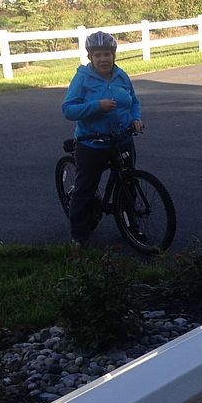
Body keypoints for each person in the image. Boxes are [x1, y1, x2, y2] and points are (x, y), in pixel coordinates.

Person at [62, 31, 144, 246]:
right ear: (90, 57)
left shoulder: (121, 75)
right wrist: (97, 106)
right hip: (92, 143)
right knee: (85, 189)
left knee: (128, 184)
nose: (103, 59)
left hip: (122, 139)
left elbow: (134, 101)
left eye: (107, 54)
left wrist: (136, 119)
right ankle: (78, 236)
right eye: (98, 55)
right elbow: (68, 110)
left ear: (114, 55)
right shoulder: (82, 78)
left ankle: (131, 225)